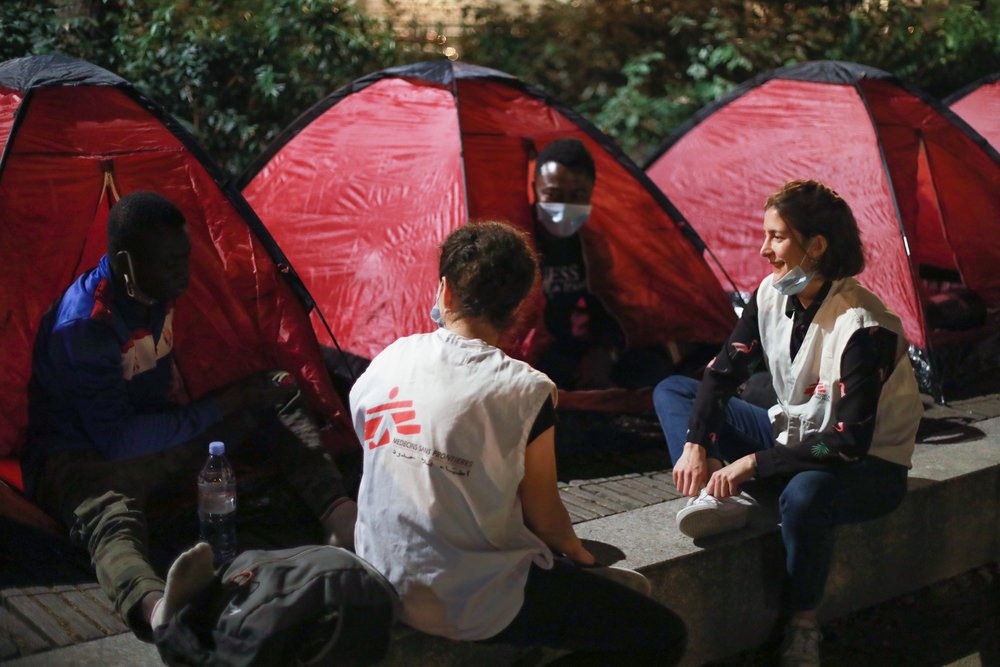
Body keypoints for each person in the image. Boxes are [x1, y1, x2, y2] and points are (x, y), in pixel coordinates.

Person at [22, 191, 358, 640]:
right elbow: (115, 442)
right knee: (109, 517)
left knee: (272, 391)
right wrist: (221, 405)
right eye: (169, 263)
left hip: (155, 435)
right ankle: (157, 606)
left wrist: (235, 398)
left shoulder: (154, 290)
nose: (183, 273)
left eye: (185, 258)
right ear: (125, 263)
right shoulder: (86, 327)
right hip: (81, 456)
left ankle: (340, 517)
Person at [352, 221, 687, 665]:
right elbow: (546, 519)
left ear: (445, 290)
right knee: (662, 635)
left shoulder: (390, 357)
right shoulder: (525, 389)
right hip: (467, 599)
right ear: (520, 307)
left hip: (382, 574)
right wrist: (581, 556)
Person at [653, 180, 922, 667]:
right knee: (675, 390)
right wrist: (698, 445)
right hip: (793, 441)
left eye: (777, 237)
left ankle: (802, 622)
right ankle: (721, 494)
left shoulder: (864, 326)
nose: (764, 250)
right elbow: (721, 373)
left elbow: (847, 443)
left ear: (816, 245)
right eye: (766, 235)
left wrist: (752, 464)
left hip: (867, 469)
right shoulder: (771, 294)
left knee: (804, 494)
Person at [530, 138, 672, 390]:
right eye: (553, 194)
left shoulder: (589, 244)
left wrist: (605, 352)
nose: (564, 206)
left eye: (577, 196)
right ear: (535, 188)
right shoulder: (519, 240)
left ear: (591, 195)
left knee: (655, 365)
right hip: (532, 354)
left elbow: (610, 304)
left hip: (574, 347)